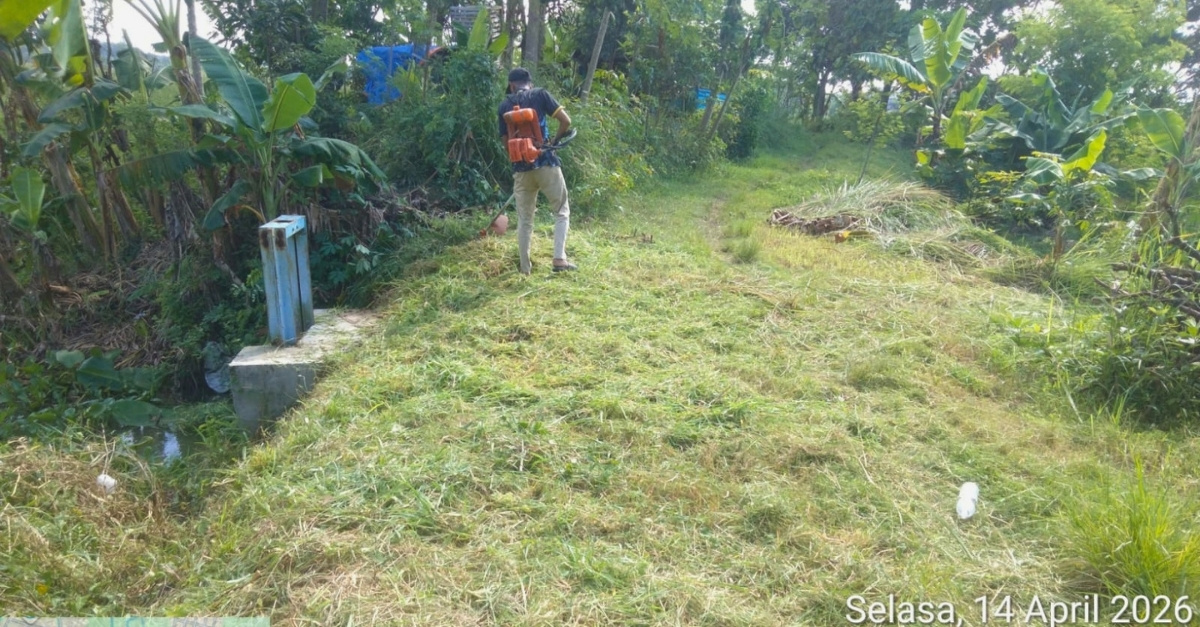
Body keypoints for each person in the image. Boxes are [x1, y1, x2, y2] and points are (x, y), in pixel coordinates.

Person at [498, 67, 576, 274]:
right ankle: (559, 260)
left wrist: (521, 154)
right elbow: (566, 121)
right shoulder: (541, 94)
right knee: (561, 211)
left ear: (512, 85)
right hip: (545, 162)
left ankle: (525, 269)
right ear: (529, 83)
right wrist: (551, 143)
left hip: (521, 170)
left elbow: (506, 143)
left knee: (525, 220)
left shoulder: (504, 106)